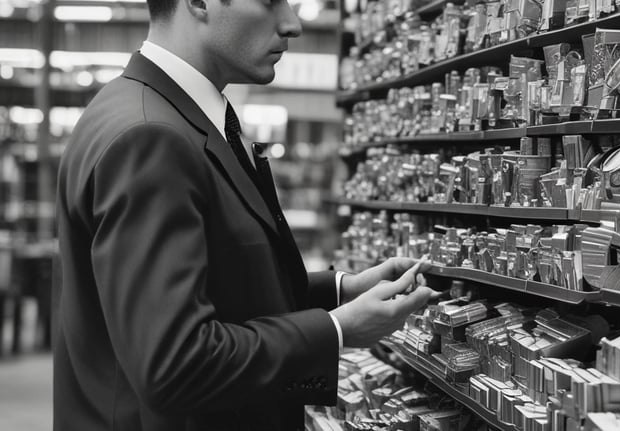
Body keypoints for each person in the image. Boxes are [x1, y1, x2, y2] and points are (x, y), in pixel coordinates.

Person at [53, 0, 437, 428]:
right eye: (270, 2)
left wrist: (339, 291)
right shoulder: (150, 137)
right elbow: (175, 365)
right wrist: (336, 330)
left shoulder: (167, 114)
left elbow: (214, 281)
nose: (291, 24)